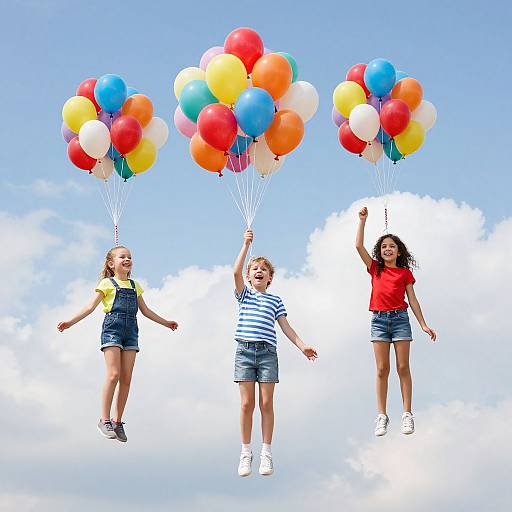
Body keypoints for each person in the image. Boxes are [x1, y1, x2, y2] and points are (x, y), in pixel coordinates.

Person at [57, 246, 178, 442]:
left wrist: (166, 322)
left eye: (129, 256)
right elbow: (90, 307)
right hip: (112, 328)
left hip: (131, 332)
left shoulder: (135, 285)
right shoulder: (106, 283)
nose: (127, 259)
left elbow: (146, 311)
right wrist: (70, 322)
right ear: (111, 264)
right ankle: (103, 419)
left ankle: (117, 421)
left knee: (126, 378)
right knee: (113, 374)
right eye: (122, 256)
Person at [233, 229, 317, 476]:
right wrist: (246, 245)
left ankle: (266, 453)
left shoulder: (275, 301)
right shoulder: (244, 295)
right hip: (245, 351)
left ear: (270, 278)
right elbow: (235, 271)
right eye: (254, 269)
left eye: (264, 270)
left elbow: (286, 328)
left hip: (268, 353)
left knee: (266, 402)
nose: (259, 271)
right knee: (247, 404)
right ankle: (246, 451)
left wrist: (303, 347)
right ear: (249, 277)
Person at [355, 207, 436, 436]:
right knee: (382, 369)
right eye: (384, 246)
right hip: (379, 320)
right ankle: (382, 415)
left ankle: (407, 414)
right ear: (379, 252)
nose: (388, 249)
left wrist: (423, 324)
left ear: (399, 252)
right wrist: (362, 221)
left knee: (402, 367)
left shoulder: (404, 273)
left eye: (392, 246)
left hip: (400, 319)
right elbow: (358, 247)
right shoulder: (375, 269)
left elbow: (413, 299)